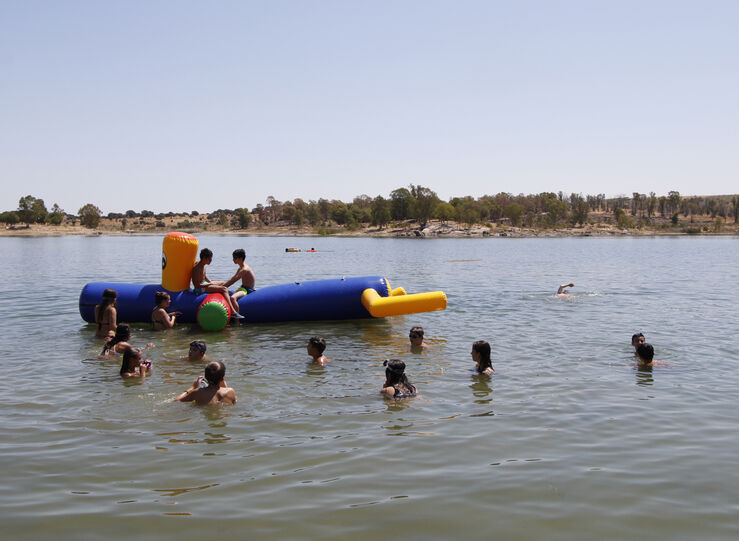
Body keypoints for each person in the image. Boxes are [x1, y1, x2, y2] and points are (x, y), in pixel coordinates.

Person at [191, 248, 244, 318]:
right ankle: (233, 312)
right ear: (204, 258)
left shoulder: (202, 265)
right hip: (200, 289)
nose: (211, 260)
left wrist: (210, 282)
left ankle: (226, 297)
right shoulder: (197, 268)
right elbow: (197, 285)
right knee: (224, 289)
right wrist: (210, 284)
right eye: (209, 259)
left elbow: (204, 276)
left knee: (223, 283)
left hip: (204, 284)